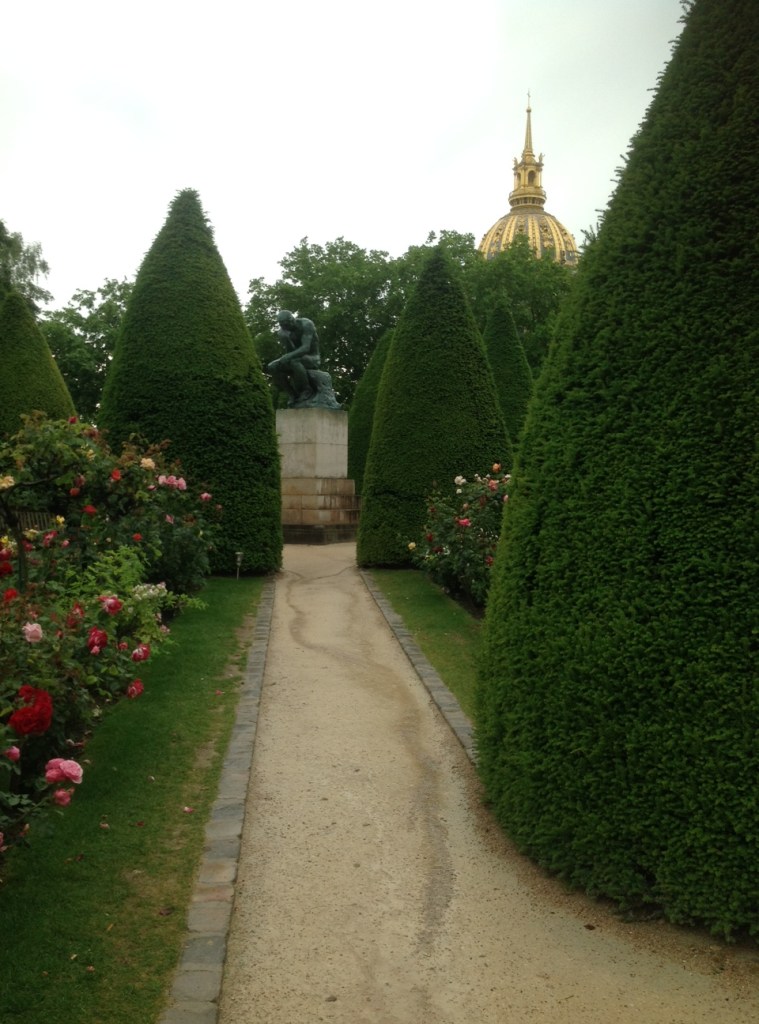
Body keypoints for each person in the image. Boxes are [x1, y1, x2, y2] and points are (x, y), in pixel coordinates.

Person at [267, 310, 322, 407]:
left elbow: (306, 348)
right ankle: (292, 394)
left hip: (313, 358)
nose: (285, 327)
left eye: (286, 325)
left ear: (292, 319)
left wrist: (288, 357)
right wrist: (285, 338)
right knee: (272, 367)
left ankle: (306, 390)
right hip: (296, 359)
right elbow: (289, 351)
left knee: (293, 360)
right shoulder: (283, 332)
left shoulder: (306, 324)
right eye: (282, 326)